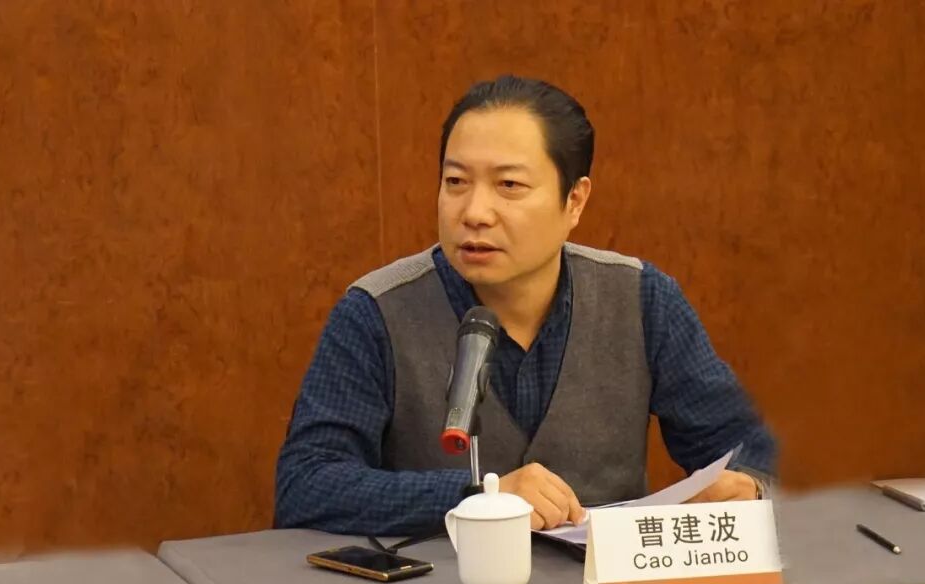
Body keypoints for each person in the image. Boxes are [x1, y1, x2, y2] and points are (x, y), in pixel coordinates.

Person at [274, 75, 776, 536]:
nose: (475, 212)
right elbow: (306, 484)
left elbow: (748, 444)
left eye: (509, 186)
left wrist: (748, 483)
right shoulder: (375, 312)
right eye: (455, 182)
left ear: (574, 201)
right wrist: (477, 497)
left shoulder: (642, 300)